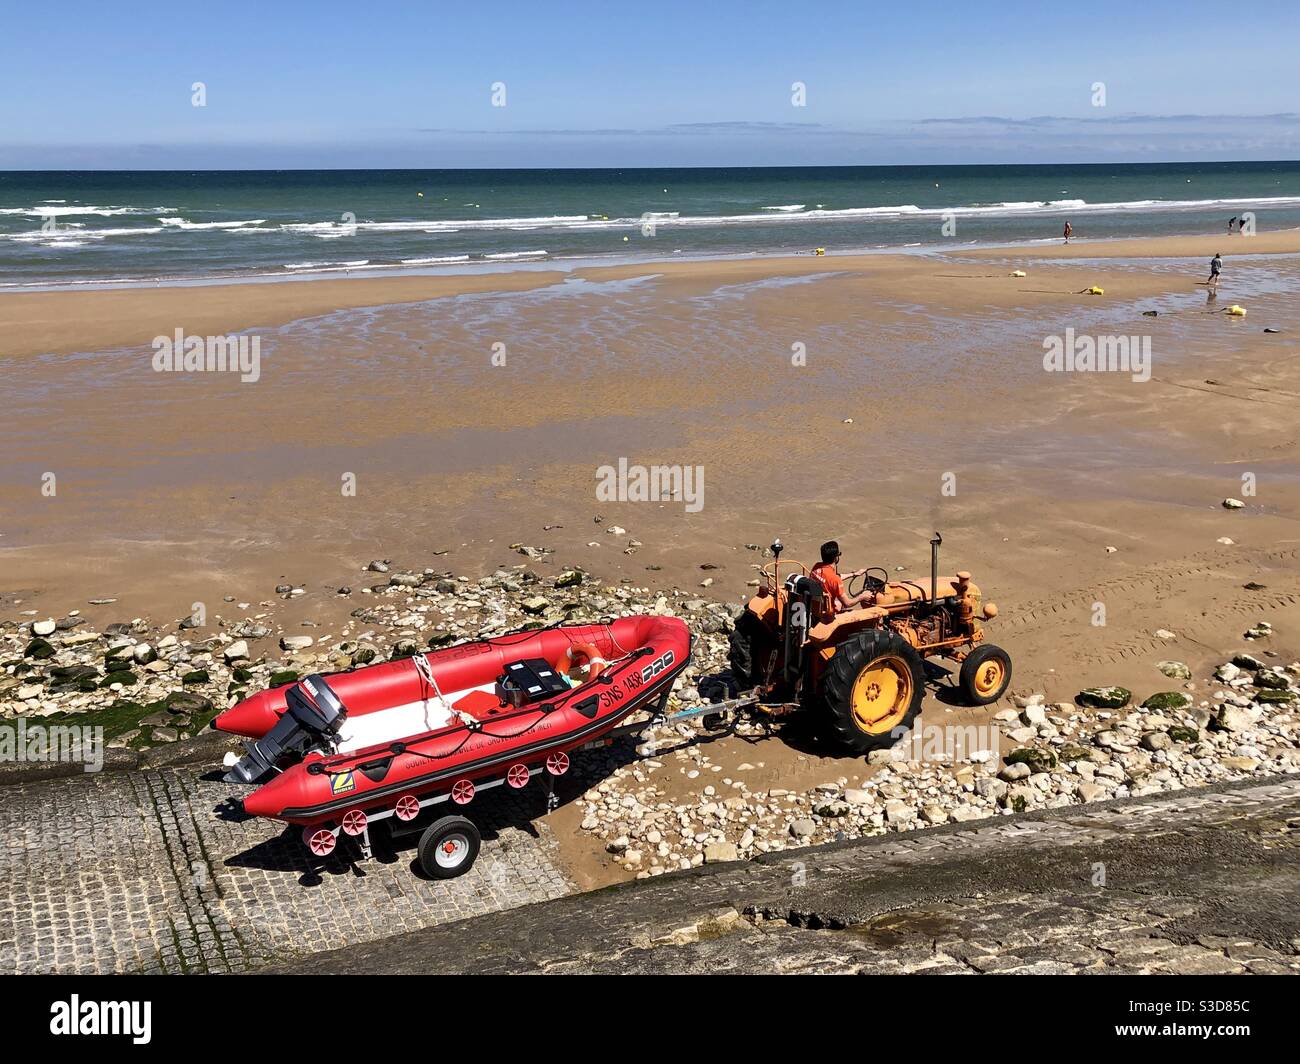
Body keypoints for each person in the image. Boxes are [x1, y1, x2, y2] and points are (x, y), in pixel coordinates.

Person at [810, 541, 875, 615]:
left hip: (817, 604)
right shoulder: (835, 580)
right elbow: (848, 603)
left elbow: (832, 579)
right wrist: (862, 596)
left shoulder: (816, 567)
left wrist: (854, 574)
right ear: (835, 558)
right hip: (828, 612)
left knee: (839, 600)